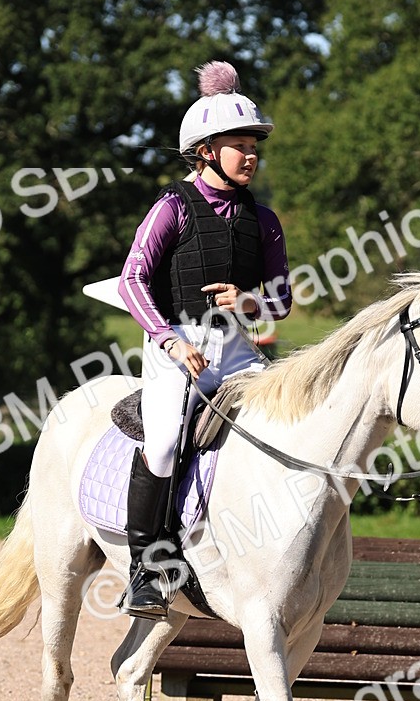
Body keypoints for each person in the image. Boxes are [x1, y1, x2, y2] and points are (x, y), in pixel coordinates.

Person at [116, 60, 292, 620]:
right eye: (240, 145)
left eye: (254, 144)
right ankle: (145, 569)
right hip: (176, 345)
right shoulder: (171, 207)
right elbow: (131, 279)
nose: (252, 155)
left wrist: (247, 304)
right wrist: (168, 342)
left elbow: (282, 300)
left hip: (237, 347)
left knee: (286, 417)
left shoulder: (263, 220)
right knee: (165, 441)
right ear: (206, 151)